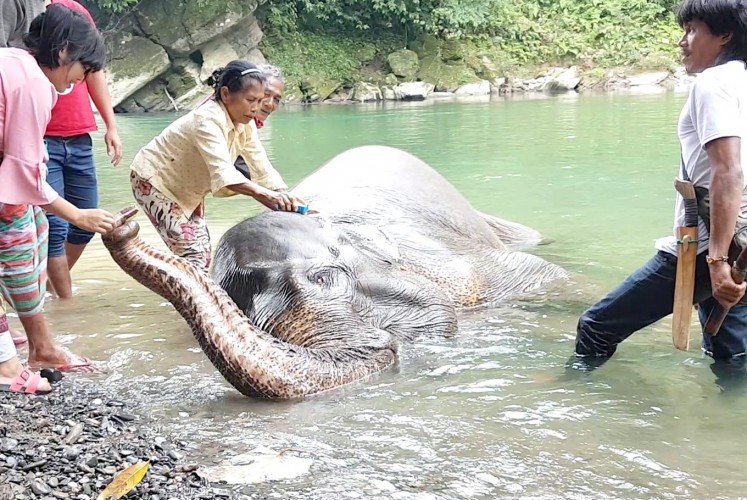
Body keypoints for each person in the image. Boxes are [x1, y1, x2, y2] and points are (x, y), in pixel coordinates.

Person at [573, 0, 747, 376]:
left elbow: (729, 171)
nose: (683, 42)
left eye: (692, 31)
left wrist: (716, 261)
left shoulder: (714, 83)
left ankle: (570, 404)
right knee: (731, 354)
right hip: (743, 248)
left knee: (596, 327)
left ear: (724, 36)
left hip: (708, 246)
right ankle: (725, 427)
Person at [0, 4, 115, 393]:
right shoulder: (33, 83)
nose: (82, 79)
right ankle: (33, 353)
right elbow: (20, 177)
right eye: (84, 69)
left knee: (38, 222)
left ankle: (29, 339)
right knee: (16, 231)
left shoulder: (14, 61)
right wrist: (79, 216)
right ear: (64, 52)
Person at [129, 59, 305, 272]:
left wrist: (282, 194)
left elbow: (260, 163)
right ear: (225, 94)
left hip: (187, 188)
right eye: (252, 100)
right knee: (195, 254)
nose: (258, 108)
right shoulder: (208, 120)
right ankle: (181, 294)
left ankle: (190, 297)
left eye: (261, 101)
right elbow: (223, 172)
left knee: (200, 255)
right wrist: (267, 196)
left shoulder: (243, 122)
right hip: (155, 181)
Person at [43, 0, 123, 301]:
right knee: (55, 228)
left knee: (85, 225)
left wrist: (110, 126)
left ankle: (51, 289)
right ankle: (66, 306)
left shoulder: (73, 10)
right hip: (43, 137)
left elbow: (93, 70)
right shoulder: (24, 11)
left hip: (78, 137)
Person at [234, 63, 285, 181]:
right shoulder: (227, 118)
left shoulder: (247, 124)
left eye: (276, 99)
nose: (270, 104)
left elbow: (258, 161)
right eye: (266, 94)